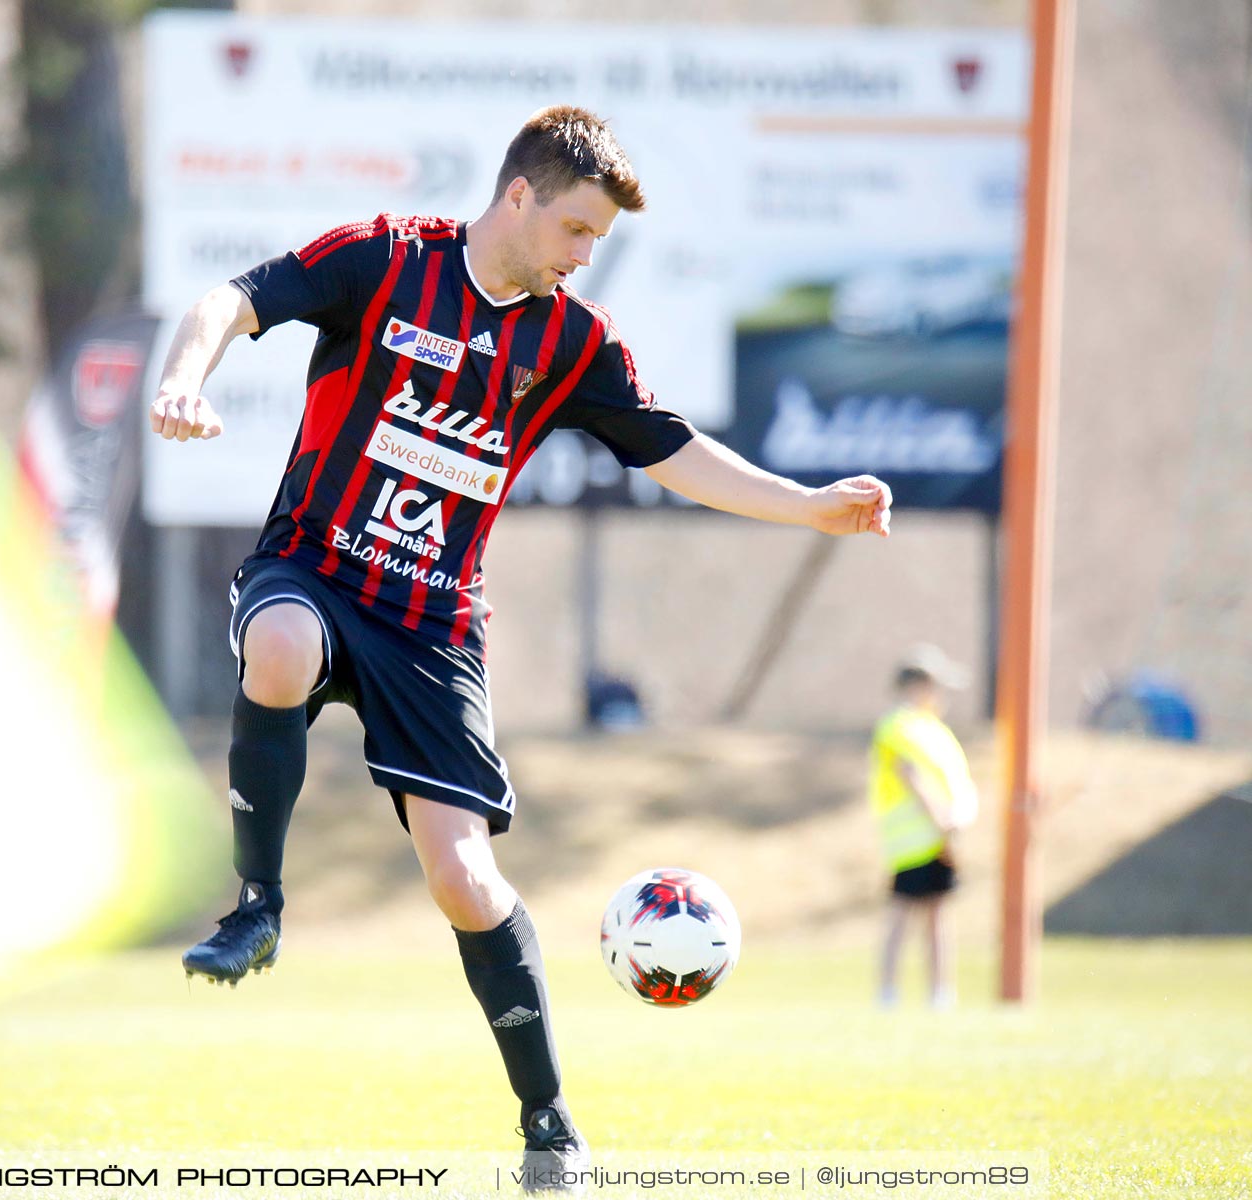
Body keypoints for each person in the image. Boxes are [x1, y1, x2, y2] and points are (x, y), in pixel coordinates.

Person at [151, 105, 892, 1189]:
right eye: (579, 230)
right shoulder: (383, 260)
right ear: (519, 197)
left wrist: (806, 507)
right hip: (315, 563)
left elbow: (671, 449)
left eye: (598, 240)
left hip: (434, 623)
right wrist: (185, 380)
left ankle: (548, 1122)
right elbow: (236, 299)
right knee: (279, 646)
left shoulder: (572, 339)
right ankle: (257, 907)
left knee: (463, 879)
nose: (588, 255)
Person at [868, 645, 978, 1011]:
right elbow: (911, 775)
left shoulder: (933, 728)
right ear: (917, 685)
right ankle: (888, 993)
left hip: (939, 839)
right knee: (902, 915)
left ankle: (940, 994)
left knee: (938, 916)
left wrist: (956, 821)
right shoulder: (899, 725)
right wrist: (941, 820)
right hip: (916, 840)